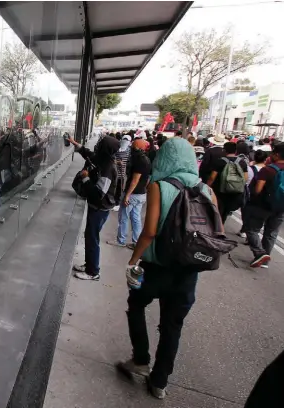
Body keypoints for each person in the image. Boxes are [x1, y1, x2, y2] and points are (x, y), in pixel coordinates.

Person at [118, 137, 217, 400]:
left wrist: (132, 262)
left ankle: (140, 358)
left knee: (136, 304)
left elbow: (149, 232)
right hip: (187, 272)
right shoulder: (207, 191)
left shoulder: (159, 187)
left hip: (156, 268)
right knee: (172, 326)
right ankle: (159, 382)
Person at [67, 136, 120, 281]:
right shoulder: (102, 160)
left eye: (101, 144)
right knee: (89, 236)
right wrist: (74, 143)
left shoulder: (108, 168)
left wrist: (85, 178)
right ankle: (89, 264)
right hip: (95, 207)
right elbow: (88, 154)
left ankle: (93, 272)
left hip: (100, 208)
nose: (97, 145)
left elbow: (99, 193)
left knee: (92, 238)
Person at [243, 142, 284, 268]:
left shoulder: (268, 170)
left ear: (276, 155)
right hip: (281, 207)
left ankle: (259, 253)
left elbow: (257, 190)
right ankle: (265, 261)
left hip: (263, 206)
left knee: (252, 229)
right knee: (271, 233)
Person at [108, 139, 151, 249]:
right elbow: (147, 179)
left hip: (133, 194)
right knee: (136, 218)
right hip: (141, 194)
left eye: (133, 146)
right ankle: (137, 242)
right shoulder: (147, 159)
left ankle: (121, 240)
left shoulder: (138, 160)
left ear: (136, 148)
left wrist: (127, 195)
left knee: (124, 217)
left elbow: (135, 180)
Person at [207, 141, 248, 225]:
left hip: (220, 191)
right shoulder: (242, 162)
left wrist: (207, 187)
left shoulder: (219, 161)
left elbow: (212, 177)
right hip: (234, 192)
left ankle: (216, 228)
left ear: (224, 150)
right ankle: (221, 226)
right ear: (235, 151)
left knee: (217, 210)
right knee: (226, 212)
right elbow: (245, 178)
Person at [113, 135, 132, 211]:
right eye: (124, 139)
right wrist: (117, 162)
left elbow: (129, 162)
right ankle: (113, 202)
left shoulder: (129, 151)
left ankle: (117, 203)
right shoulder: (116, 149)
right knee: (114, 187)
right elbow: (111, 159)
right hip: (114, 172)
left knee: (120, 189)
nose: (125, 141)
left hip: (122, 174)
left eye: (127, 140)